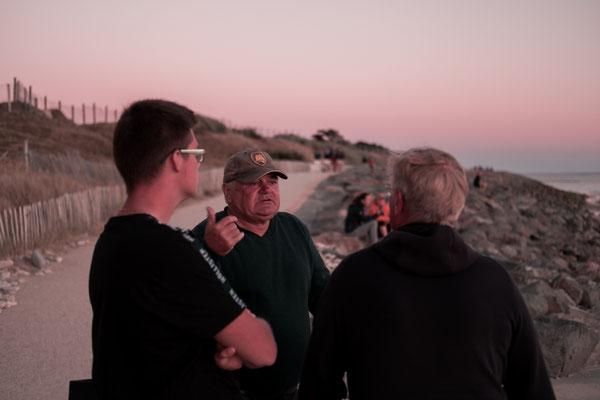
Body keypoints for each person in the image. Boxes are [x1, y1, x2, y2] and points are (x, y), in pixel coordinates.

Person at [299, 147, 555, 400]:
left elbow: (318, 383)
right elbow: (533, 388)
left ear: (398, 201)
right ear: (458, 206)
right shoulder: (495, 281)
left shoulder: (353, 275)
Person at [89, 100, 277, 400]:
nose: (198, 164)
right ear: (178, 159)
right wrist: (245, 335)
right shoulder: (170, 248)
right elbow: (262, 349)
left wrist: (217, 345)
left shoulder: (111, 241)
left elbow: (156, 334)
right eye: (197, 155)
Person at [193, 149, 331, 400]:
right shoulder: (210, 236)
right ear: (228, 192)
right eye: (254, 183)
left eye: (272, 182)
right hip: (233, 390)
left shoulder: (294, 228)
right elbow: (187, 311)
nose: (266, 189)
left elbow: (325, 297)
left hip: (294, 387)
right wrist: (212, 254)